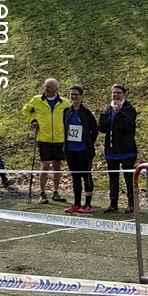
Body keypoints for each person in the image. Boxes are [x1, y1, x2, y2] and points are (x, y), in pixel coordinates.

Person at [21, 78, 70, 203]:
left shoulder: (64, 102)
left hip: (59, 138)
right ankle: (42, 193)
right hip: (43, 137)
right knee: (45, 165)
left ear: (55, 88)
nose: (45, 88)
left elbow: (71, 115)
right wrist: (32, 120)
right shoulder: (37, 100)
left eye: (48, 86)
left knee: (57, 165)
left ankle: (55, 192)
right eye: (45, 86)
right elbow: (25, 110)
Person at [99, 84, 137, 214]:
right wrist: (103, 115)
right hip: (111, 150)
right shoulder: (108, 109)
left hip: (127, 150)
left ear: (124, 94)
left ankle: (131, 203)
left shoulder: (129, 109)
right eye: (113, 93)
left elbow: (127, 126)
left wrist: (118, 113)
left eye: (118, 93)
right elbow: (101, 128)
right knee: (113, 179)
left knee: (129, 178)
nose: (115, 95)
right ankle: (113, 203)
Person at [62, 85, 98, 214]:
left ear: (81, 96)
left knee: (86, 176)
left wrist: (88, 143)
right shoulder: (67, 111)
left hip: (84, 150)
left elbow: (94, 130)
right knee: (75, 177)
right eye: (71, 94)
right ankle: (76, 203)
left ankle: (87, 204)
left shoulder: (86, 113)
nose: (74, 97)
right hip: (70, 149)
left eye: (76, 94)